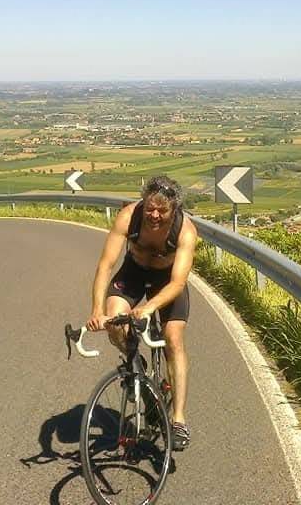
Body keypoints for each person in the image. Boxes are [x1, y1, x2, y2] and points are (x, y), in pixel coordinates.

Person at [86, 175, 198, 451]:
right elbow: (105, 265)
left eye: (162, 211)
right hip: (133, 272)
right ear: (143, 203)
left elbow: (178, 283)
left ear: (174, 209)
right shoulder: (128, 217)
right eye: (150, 208)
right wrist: (97, 311)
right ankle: (137, 366)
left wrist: (148, 308)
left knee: (173, 338)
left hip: (167, 281)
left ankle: (179, 420)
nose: (155, 215)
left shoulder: (185, 231)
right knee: (115, 321)